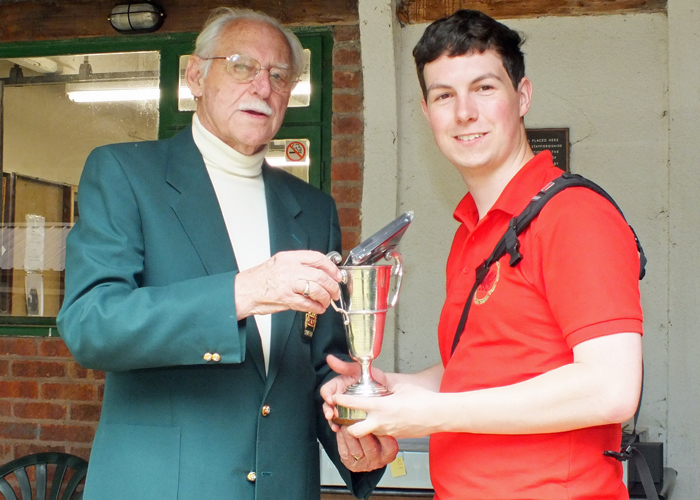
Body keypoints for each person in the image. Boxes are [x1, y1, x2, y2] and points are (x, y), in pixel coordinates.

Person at [57, 7, 396, 500]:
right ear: (195, 75)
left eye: (280, 75)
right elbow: (91, 324)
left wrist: (349, 434)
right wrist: (244, 291)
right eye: (241, 65)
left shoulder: (312, 208)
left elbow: (323, 362)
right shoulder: (125, 174)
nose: (262, 86)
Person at [321, 9, 643, 500]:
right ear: (426, 112)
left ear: (523, 97)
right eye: (444, 96)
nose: (464, 112)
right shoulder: (473, 229)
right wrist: (386, 390)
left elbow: (612, 388)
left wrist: (431, 415)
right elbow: (479, 370)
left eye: (484, 88)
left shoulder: (573, 214)